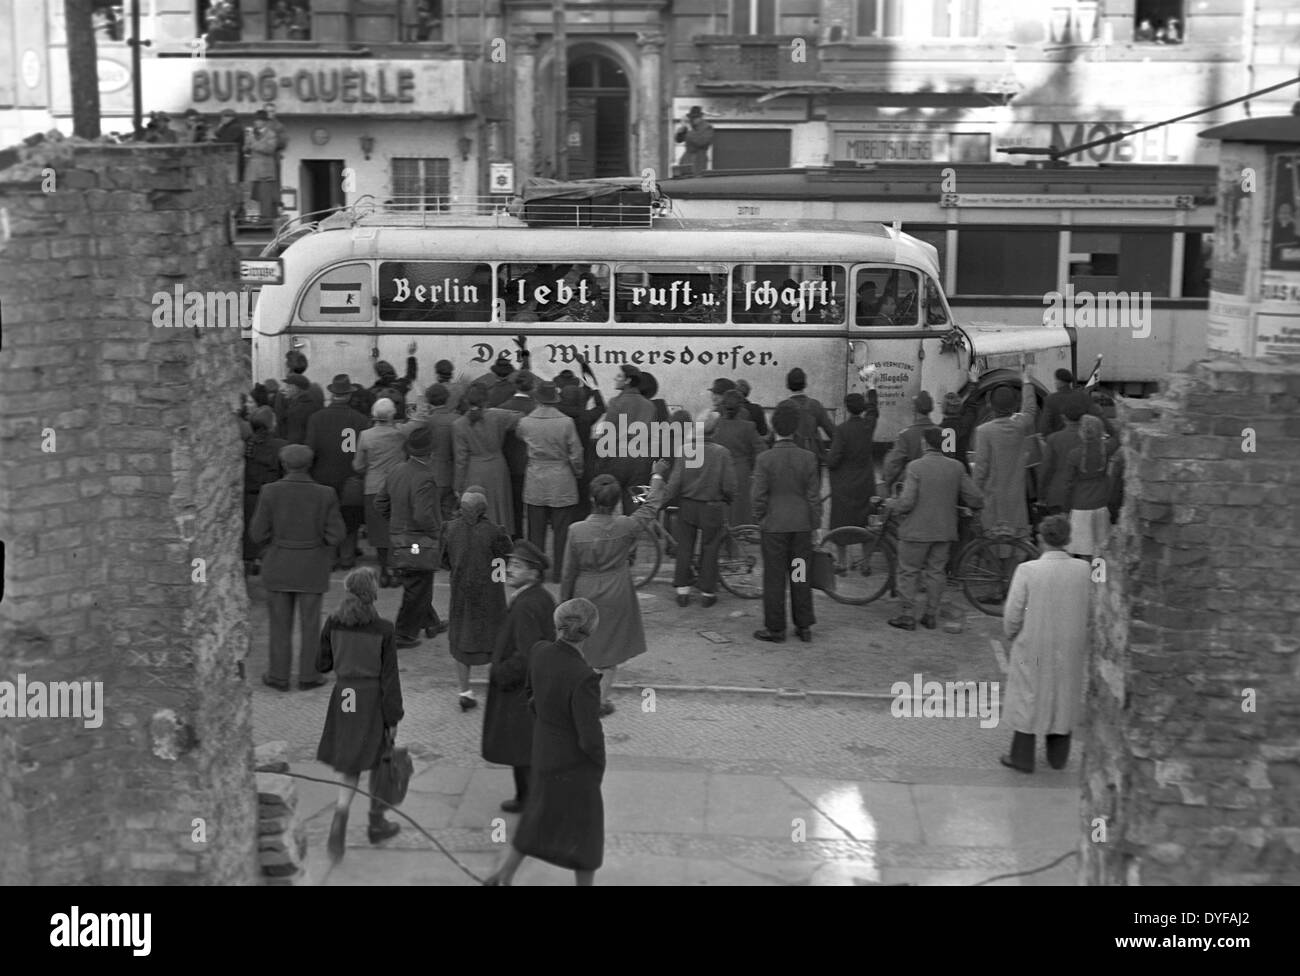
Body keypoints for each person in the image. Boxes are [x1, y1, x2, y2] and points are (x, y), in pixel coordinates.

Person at [483, 598, 606, 886]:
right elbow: (590, 736)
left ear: (557, 623)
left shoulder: (539, 652)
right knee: (586, 833)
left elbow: (530, 696)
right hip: (575, 764)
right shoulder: (585, 677)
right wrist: (598, 765)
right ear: (591, 631)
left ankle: (503, 876)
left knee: (536, 818)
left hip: (543, 751)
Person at [561, 467, 669, 714]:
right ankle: (600, 701)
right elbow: (651, 506)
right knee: (610, 652)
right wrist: (657, 476)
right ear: (617, 502)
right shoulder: (626, 525)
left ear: (591, 499)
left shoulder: (576, 531)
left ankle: (579, 696)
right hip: (617, 589)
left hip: (585, 589)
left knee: (582, 647)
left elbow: (568, 573)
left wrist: (563, 604)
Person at [317, 567, 404, 859]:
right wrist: (393, 718)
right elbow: (391, 679)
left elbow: (322, 664)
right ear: (374, 594)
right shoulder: (384, 630)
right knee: (380, 760)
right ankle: (377, 822)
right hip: (371, 700)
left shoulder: (333, 623)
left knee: (351, 763)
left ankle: (340, 815)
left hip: (345, 696)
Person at [999, 515, 1092, 773]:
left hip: (1034, 641)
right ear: (1069, 539)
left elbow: (1014, 611)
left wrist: (1011, 633)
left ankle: (1022, 756)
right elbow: (1093, 608)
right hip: (1070, 643)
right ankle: (1058, 755)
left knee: (1029, 694)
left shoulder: (1028, 570)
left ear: (1040, 539)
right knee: (1064, 692)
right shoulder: (1084, 570)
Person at [249, 444, 345, 691]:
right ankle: (308, 675)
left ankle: (279, 676)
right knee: (311, 624)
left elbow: (257, 532)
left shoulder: (269, 492)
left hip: (279, 562)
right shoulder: (326, 494)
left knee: (279, 625)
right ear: (310, 464)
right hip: (312, 565)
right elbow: (336, 534)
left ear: (284, 464)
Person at [481, 540, 557, 813]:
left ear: (534, 573)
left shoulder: (527, 604)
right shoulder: (535, 597)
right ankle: (527, 798)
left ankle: (532, 803)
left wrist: (500, 673)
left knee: (523, 748)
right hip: (530, 689)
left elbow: (528, 652)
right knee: (525, 748)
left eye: (517, 566)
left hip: (519, 690)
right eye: (509, 564)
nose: (509, 570)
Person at [885, 427, 983, 631]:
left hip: (916, 531)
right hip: (944, 530)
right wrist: (972, 510)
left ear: (925, 444)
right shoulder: (956, 467)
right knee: (936, 572)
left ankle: (907, 615)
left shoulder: (915, 467)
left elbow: (907, 502)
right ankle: (930, 615)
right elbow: (975, 496)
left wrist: (893, 505)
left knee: (908, 571)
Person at [751, 402, 821, 643]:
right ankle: (804, 626)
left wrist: (761, 518)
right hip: (801, 528)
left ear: (773, 426)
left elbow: (758, 496)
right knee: (800, 575)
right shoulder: (809, 458)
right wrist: (816, 525)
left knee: (774, 577)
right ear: (796, 427)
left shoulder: (765, 459)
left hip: (774, 528)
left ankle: (775, 628)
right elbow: (814, 497)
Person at [376, 425, 447, 650]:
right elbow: (422, 514)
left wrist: (397, 523)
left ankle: (431, 622)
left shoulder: (396, 470)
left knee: (419, 583)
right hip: (417, 541)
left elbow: (380, 503)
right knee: (417, 585)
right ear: (431, 452)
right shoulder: (425, 477)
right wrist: (436, 533)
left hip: (399, 538)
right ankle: (404, 634)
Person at [443, 489, 513, 712]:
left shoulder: (450, 529)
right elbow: (505, 560)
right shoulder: (495, 531)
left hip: (461, 594)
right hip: (490, 595)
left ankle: (465, 691)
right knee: (496, 640)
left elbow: (443, 561)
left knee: (461, 640)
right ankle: (499, 689)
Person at [663, 413, 737, 609]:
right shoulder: (722, 453)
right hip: (712, 506)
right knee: (711, 547)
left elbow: (675, 482)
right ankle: (707, 592)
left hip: (687, 505)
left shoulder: (686, 450)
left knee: (685, 546)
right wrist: (728, 498)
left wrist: (660, 500)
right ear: (716, 430)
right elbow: (729, 485)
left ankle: (682, 591)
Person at [517, 380, 583, 582]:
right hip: (561, 478)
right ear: (555, 399)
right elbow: (576, 453)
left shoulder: (526, 422)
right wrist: (577, 472)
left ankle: (535, 572)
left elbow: (520, 437)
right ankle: (559, 574)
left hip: (535, 476)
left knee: (535, 531)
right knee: (562, 530)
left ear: (537, 399)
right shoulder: (566, 422)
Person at [306, 374, 370, 571]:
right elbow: (362, 453)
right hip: (350, 477)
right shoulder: (360, 420)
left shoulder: (316, 418)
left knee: (326, 519)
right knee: (349, 519)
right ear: (349, 395)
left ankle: (329, 558)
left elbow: (311, 450)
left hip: (322, 476)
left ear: (331, 394)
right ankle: (347, 557)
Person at [972, 362, 1038, 541]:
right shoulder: (1020, 425)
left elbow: (981, 470)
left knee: (993, 550)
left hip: (993, 503)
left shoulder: (984, 431)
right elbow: (1030, 410)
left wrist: (973, 496)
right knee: (1016, 550)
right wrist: (1026, 381)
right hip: (1016, 504)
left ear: (991, 406)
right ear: (1013, 406)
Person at [453, 382, 523, 531]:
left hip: (474, 470)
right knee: (499, 510)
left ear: (466, 400)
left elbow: (460, 460)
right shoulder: (498, 416)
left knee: (476, 511)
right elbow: (520, 417)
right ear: (486, 400)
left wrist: (458, 487)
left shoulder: (459, 425)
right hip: (497, 468)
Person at [353, 398, 408, 587]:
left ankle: (383, 571)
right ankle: (397, 569)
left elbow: (358, 465)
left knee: (378, 531)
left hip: (374, 486)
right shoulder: (400, 433)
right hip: (397, 485)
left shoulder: (365, 436)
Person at [597, 364, 656, 514]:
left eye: (619, 376)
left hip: (617, 461)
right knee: (638, 506)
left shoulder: (615, 403)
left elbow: (607, 435)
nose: (615, 378)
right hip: (641, 463)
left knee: (608, 506)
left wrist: (602, 462)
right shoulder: (650, 406)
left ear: (628, 380)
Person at [1064, 414, 1118, 560]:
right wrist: (1101, 415)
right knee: (1099, 550)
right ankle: (1098, 579)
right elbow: (1117, 435)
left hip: (1080, 505)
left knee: (1083, 550)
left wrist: (1066, 507)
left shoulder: (1074, 454)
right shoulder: (1106, 449)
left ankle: (1084, 579)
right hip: (1101, 503)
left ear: (1081, 432)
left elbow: (1068, 483)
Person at [710, 390, 767, 526]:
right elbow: (762, 451)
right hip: (741, 472)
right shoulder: (748, 427)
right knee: (740, 511)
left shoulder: (715, 426)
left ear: (723, 406)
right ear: (740, 407)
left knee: (720, 511)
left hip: (718, 471)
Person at [243, 406, 286, 575]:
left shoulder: (246, 446)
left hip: (249, 498)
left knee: (250, 538)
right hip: (272, 499)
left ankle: (249, 568)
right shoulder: (280, 446)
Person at [556, 377, 606, 522]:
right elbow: (601, 407)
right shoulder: (586, 416)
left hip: (561, 464)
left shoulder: (556, 415)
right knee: (583, 501)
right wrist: (595, 390)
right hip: (584, 463)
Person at [499, 370, 539, 538]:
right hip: (534, 464)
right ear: (532, 386)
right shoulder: (537, 409)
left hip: (511, 464)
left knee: (515, 505)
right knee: (534, 508)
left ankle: (517, 538)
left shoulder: (502, 408)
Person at [880, 391, 938, 494]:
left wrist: (888, 484)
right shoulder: (947, 433)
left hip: (913, 489)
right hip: (939, 488)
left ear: (914, 409)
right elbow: (951, 461)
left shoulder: (905, 435)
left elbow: (892, 465)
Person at [776, 368, 835, 466]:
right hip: (813, 456)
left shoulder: (783, 406)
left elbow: (774, 435)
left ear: (787, 385)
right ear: (805, 384)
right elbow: (832, 432)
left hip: (789, 458)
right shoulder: (816, 405)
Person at [419, 383, 460, 520]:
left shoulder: (427, 422)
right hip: (454, 473)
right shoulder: (457, 419)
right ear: (447, 398)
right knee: (449, 514)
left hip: (433, 473)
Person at [1038, 403, 1086, 516]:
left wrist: (1041, 495)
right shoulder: (1088, 440)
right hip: (1083, 497)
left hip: (1057, 495)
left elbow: (1046, 470)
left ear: (1063, 417)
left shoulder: (1053, 439)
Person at [1037, 368, 1107, 437]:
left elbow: (1044, 428)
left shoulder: (1050, 400)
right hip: (1083, 441)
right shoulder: (1083, 397)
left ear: (1059, 381)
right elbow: (1099, 418)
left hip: (1060, 443)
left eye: (1055, 380)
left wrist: (1052, 440)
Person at [247, 111, 281, 223]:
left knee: (266, 196)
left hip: (266, 171)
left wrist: (254, 145)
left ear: (265, 122)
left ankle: (266, 219)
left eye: (259, 120)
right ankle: (255, 219)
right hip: (254, 171)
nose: (257, 122)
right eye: (256, 120)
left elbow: (269, 149)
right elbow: (246, 148)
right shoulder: (251, 134)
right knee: (254, 196)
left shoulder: (271, 134)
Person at [675, 106, 715, 176]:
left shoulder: (707, 127)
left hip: (699, 161)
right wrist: (681, 130)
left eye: (695, 118)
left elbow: (701, 142)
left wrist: (690, 130)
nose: (692, 120)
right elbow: (679, 140)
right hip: (686, 160)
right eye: (691, 118)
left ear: (700, 118)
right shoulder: (690, 127)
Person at [211, 108, 246, 182]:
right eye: (221, 117)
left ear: (231, 117)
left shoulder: (235, 127)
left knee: (234, 181)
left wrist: (213, 141)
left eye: (224, 117)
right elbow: (218, 135)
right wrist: (220, 127)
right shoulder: (227, 126)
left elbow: (225, 141)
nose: (222, 119)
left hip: (235, 160)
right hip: (228, 160)